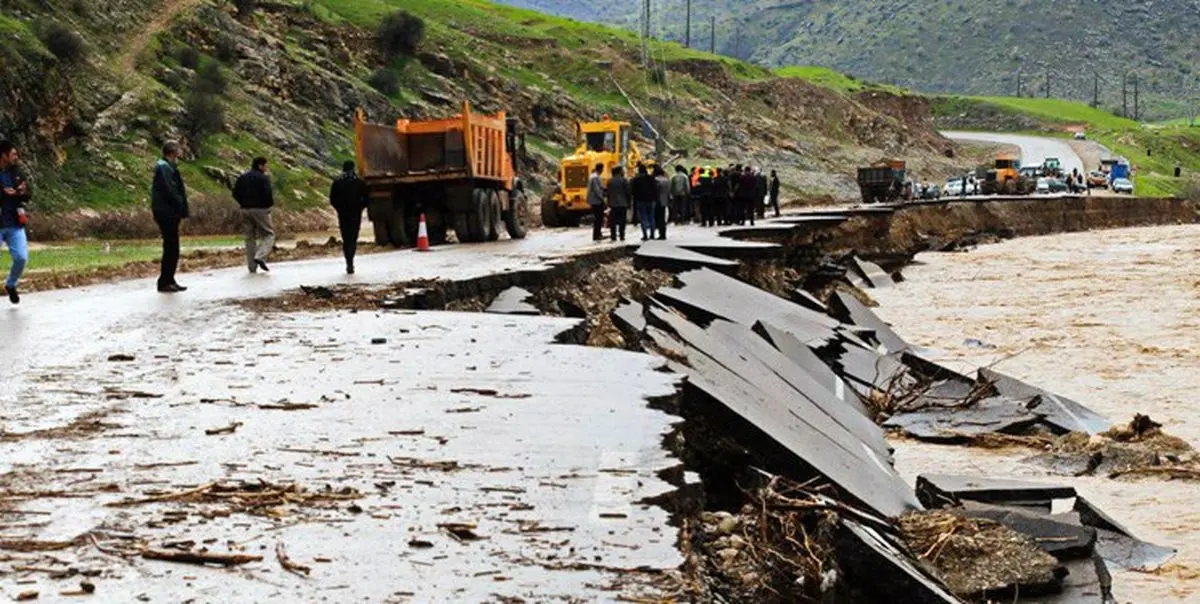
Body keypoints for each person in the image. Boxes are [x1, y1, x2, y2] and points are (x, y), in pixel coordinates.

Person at [150, 141, 189, 293]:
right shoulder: (163, 167)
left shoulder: (167, 166)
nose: (181, 151)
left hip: (168, 211)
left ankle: (170, 279)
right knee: (171, 246)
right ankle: (164, 281)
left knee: (173, 246)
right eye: (179, 149)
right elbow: (170, 191)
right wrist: (180, 205)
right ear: (173, 152)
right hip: (167, 212)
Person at [0, 140, 31, 304]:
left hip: (15, 222)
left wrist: (21, 192)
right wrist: (3, 192)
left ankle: (11, 284)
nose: (16, 157)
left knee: (21, 258)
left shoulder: (17, 172)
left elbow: (28, 193)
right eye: (13, 154)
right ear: (3, 155)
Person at [233, 157, 276, 274]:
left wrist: (242, 202)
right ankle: (260, 256)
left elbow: (235, 193)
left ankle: (252, 267)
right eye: (266, 166)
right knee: (269, 234)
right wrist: (267, 205)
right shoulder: (263, 178)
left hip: (244, 209)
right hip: (260, 209)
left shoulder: (242, 177)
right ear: (260, 166)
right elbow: (268, 195)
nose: (267, 168)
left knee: (249, 238)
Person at [329, 160, 368, 274]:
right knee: (353, 238)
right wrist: (359, 208)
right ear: (353, 168)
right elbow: (366, 199)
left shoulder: (337, 182)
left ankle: (348, 262)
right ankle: (351, 260)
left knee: (346, 239)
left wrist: (340, 209)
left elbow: (333, 200)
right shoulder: (359, 182)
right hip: (355, 214)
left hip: (343, 215)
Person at [631, 163, 657, 242]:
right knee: (652, 217)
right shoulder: (651, 178)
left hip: (640, 200)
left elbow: (633, 191)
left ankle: (645, 235)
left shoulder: (635, 179)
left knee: (643, 217)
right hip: (651, 200)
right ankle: (652, 234)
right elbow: (655, 188)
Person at [605, 166, 630, 242]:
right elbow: (627, 192)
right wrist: (629, 202)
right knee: (622, 220)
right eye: (622, 170)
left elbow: (608, 193)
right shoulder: (624, 180)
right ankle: (622, 235)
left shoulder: (610, 181)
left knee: (613, 221)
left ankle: (613, 236)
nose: (623, 172)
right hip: (623, 203)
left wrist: (608, 203)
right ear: (619, 171)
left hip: (613, 204)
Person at [586, 163, 606, 242]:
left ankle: (598, 233)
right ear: (600, 169)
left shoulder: (594, 176)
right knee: (598, 218)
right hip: (596, 201)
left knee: (599, 218)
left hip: (595, 200)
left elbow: (600, 187)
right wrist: (602, 199)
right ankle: (596, 235)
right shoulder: (595, 177)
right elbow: (597, 190)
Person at [653, 165, 670, 240]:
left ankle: (659, 233)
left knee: (657, 217)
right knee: (662, 217)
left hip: (657, 201)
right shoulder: (666, 180)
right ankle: (663, 233)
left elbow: (655, 191)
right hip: (664, 200)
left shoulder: (655, 180)